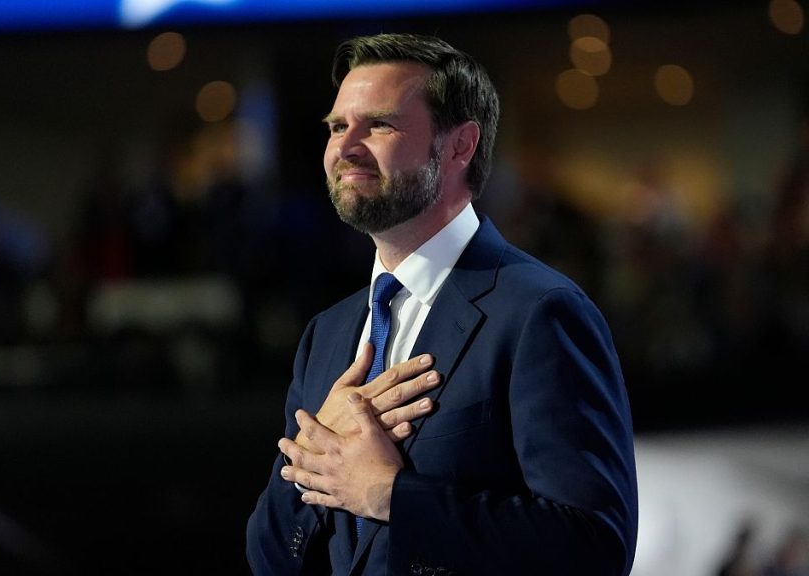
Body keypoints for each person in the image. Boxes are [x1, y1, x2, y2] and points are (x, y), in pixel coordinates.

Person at [245, 32, 639, 575]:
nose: (345, 146)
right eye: (337, 126)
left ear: (460, 146)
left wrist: (391, 496)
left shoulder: (539, 313)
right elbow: (269, 558)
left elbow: (595, 546)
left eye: (378, 124)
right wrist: (317, 458)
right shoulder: (327, 334)